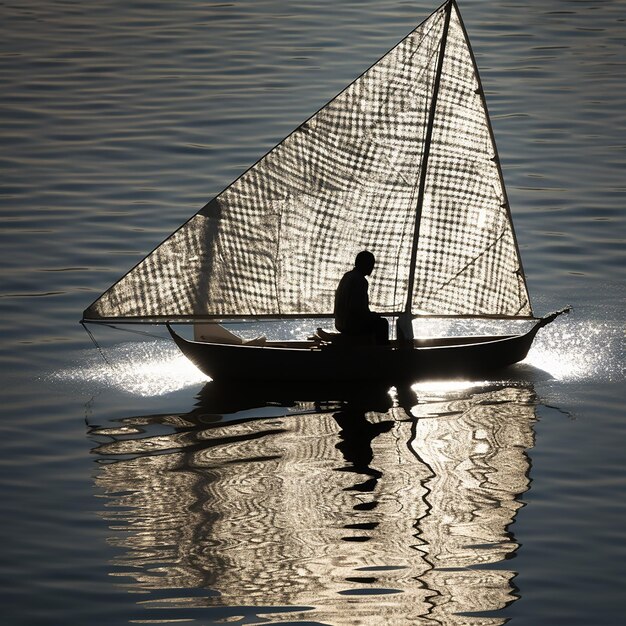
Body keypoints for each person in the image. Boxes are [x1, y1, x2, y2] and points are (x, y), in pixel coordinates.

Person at [334, 250, 389, 345]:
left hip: (339, 323)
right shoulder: (360, 281)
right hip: (351, 324)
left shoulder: (347, 276)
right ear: (365, 264)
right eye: (371, 264)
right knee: (382, 323)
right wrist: (372, 315)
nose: (372, 267)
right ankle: (382, 354)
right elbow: (357, 309)